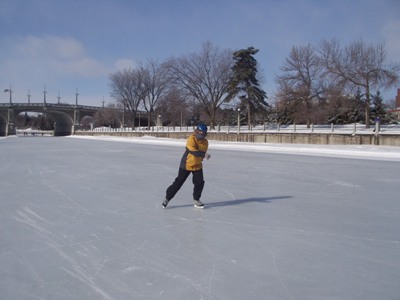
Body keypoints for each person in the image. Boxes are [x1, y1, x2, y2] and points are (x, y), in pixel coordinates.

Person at [163, 123, 211, 208]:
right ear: (196, 131)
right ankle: (167, 198)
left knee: (199, 183)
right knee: (179, 182)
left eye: (204, 133)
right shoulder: (191, 139)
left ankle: (196, 200)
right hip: (186, 164)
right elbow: (192, 150)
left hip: (197, 165)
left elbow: (201, 153)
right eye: (200, 132)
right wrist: (203, 154)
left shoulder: (205, 142)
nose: (202, 134)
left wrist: (202, 157)